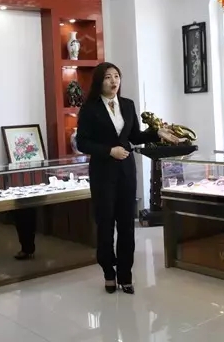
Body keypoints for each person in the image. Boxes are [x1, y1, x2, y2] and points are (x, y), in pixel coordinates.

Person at [76, 62, 178, 294]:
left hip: (126, 171)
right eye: (108, 77)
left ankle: (125, 274)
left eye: (117, 76)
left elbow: (135, 136)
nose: (114, 81)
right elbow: (82, 142)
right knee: (105, 223)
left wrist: (157, 133)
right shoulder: (90, 108)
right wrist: (109, 150)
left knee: (126, 224)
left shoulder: (128, 105)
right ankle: (108, 272)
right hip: (103, 172)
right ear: (99, 81)